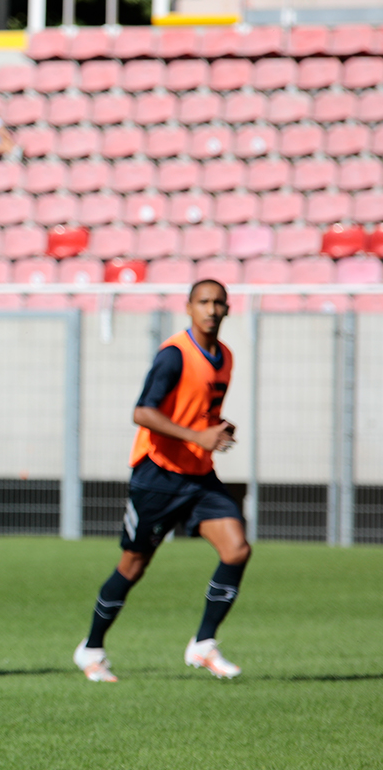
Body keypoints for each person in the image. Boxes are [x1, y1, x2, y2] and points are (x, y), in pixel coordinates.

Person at [74, 279, 249, 682]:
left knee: (236, 550)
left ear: (227, 309)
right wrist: (196, 435)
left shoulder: (225, 357)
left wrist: (215, 429)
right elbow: (143, 413)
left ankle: (204, 644)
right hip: (157, 476)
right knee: (133, 566)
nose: (211, 309)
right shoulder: (174, 355)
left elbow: (196, 411)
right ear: (188, 307)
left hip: (199, 475)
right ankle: (92, 649)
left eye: (218, 303)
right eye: (203, 302)